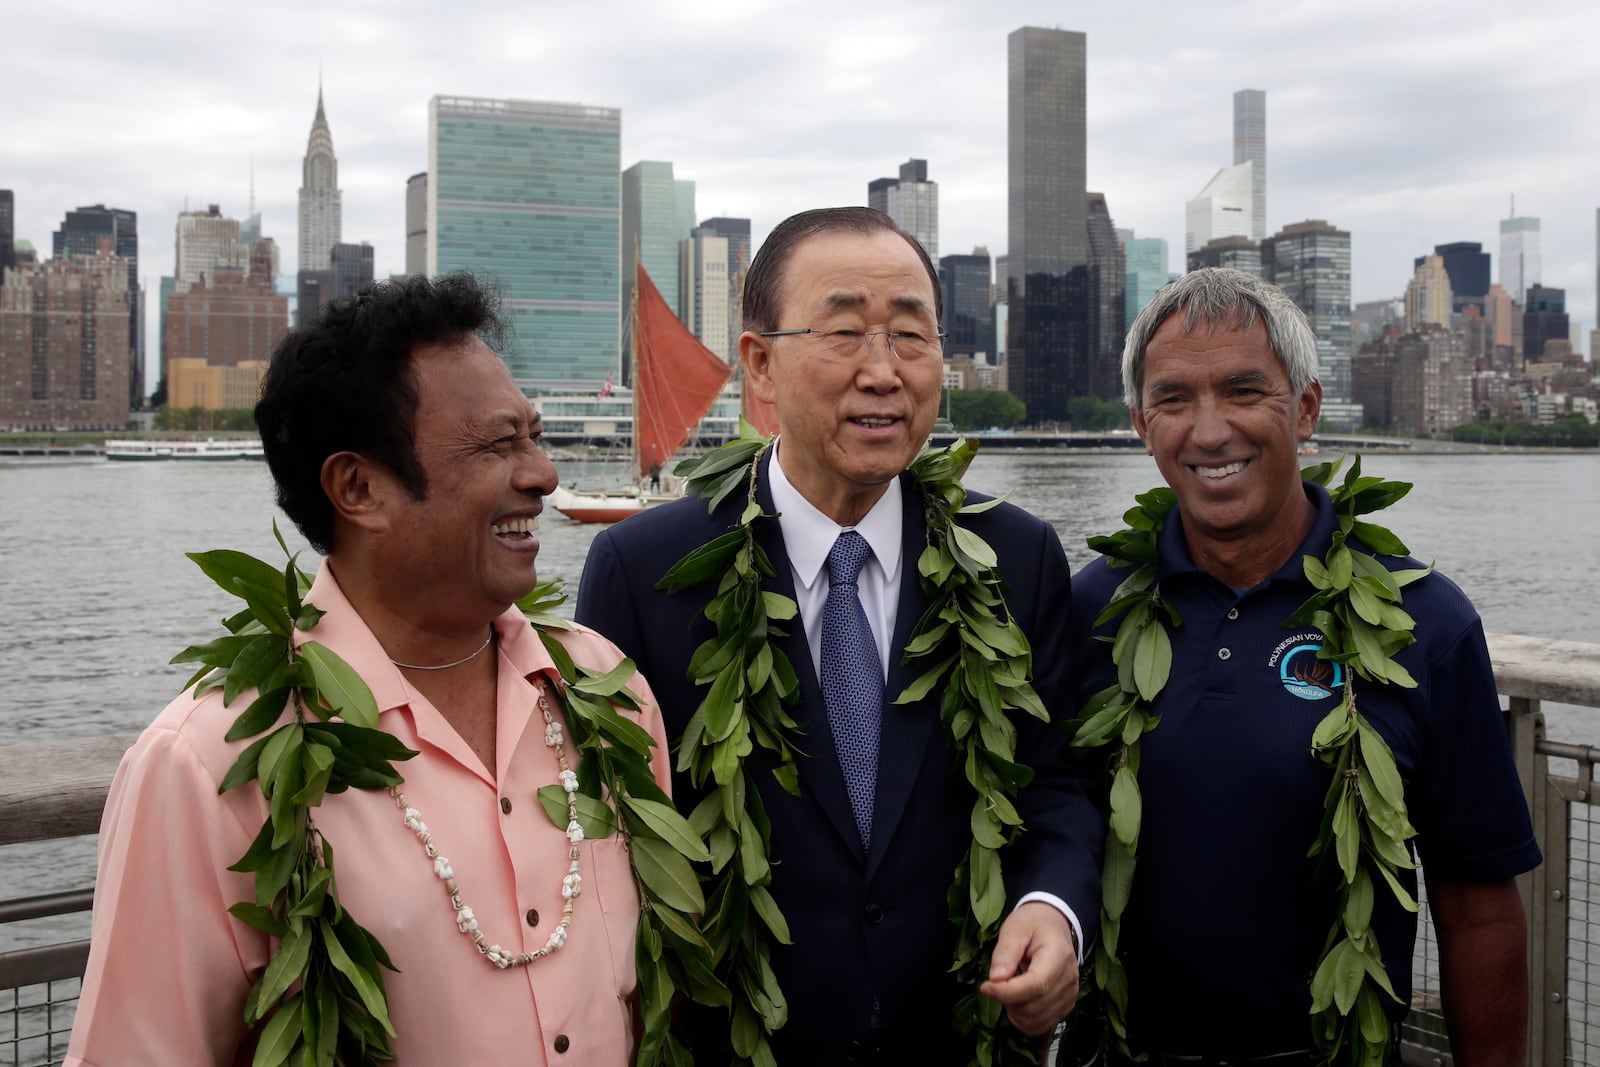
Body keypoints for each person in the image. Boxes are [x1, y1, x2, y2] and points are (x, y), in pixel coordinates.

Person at [66, 274, 671, 1065]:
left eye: (535, 434)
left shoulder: (605, 690)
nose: (543, 473)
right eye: (498, 444)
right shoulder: (207, 763)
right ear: (359, 488)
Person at [576, 207, 1104, 1063]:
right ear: (760, 366)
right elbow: (605, 837)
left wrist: (1053, 906)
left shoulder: (1017, 555)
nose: (882, 372)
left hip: (958, 1037)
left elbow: (1055, 785)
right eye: (846, 332)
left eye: (910, 336)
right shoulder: (646, 571)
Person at [1067, 267, 1540, 1062]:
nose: (1209, 431)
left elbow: (1478, 904)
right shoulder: (1092, 608)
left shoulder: (1424, 621)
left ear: (1307, 409)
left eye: (1245, 391)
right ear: (1142, 424)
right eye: (1175, 399)